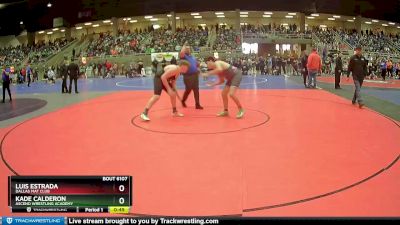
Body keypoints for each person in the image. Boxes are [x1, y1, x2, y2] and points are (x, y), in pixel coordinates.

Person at [180, 43, 203, 109]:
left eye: (189, 48)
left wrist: (198, 68)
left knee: (196, 89)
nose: (188, 49)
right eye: (186, 49)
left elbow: (197, 64)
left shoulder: (192, 57)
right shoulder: (184, 57)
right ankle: (183, 101)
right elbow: (181, 52)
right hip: (188, 76)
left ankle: (197, 104)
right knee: (188, 90)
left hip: (195, 75)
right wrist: (184, 45)